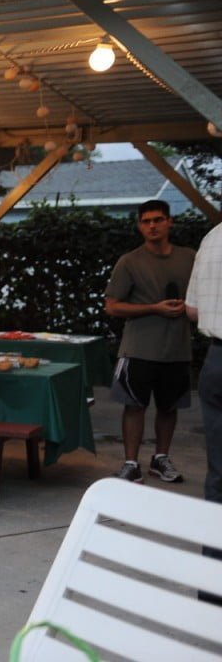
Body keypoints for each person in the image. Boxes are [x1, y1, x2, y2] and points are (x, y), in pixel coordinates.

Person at [105, 199, 195, 484]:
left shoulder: (189, 258)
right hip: (139, 347)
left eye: (158, 220)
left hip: (177, 348)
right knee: (134, 406)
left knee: (169, 407)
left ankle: (160, 459)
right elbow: (113, 306)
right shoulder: (129, 261)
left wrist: (191, 309)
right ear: (139, 226)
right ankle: (131, 463)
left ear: (170, 222)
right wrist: (154, 308)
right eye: (146, 221)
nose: (152, 226)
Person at [185, 220, 222, 605]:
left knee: (218, 476)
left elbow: (192, 310)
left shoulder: (213, 236)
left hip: (216, 362)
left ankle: (212, 587)